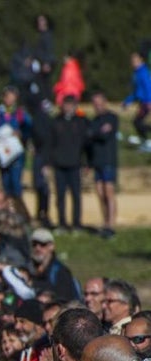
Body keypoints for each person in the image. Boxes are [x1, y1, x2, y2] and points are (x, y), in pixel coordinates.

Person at [51, 95, 88, 231]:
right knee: (60, 196)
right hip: (59, 164)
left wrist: (85, 163)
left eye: (71, 105)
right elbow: (51, 143)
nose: (68, 108)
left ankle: (76, 223)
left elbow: (85, 144)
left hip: (75, 164)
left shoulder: (81, 122)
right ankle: (62, 223)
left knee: (76, 195)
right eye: (66, 105)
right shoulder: (56, 122)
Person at [0, 86, 31, 200]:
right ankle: (8, 208)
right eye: (7, 97)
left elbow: (29, 129)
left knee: (16, 183)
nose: (9, 100)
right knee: (5, 183)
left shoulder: (20, 114)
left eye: (12, 97)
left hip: (16, 154)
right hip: (2, 154)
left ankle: (19, 210)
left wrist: (21, 134)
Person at [88, 91, 119, 239]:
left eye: (100, 103)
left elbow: (104, 136)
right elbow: (90, 136)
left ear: (105, 103)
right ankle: (105, 221)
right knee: (100, 193)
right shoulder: (94, 121)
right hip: (97, 161)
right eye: (95, 104)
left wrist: (96, 134)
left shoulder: (112, 118)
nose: (98, 106)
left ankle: (111, 225)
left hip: (109, 160)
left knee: (109, 192)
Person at [28, 228, 81, 301]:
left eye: (42, 244)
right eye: (34, 244)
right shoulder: (29, 269)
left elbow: (64, 299)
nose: (38, 248)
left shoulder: (60, 271)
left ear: (51, 246)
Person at [123, 50, 151, 151]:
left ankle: (147, 143)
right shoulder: (136, 74)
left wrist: (149, 101)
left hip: (146, 102)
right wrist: (127, 101)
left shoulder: (143, 72)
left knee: (137, 122)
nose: (132, 61)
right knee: (138, 122)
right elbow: (136, 92)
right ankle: (145, 142)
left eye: (135, 59)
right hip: (142, 102)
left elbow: (148, 87)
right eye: (132, 59)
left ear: (141, 60)